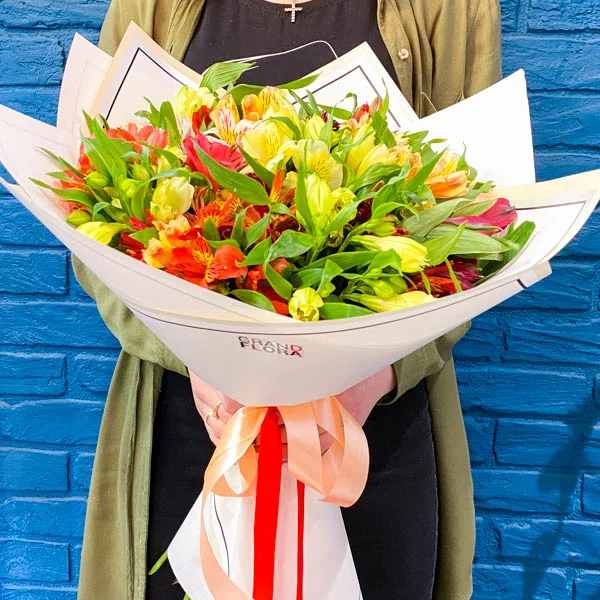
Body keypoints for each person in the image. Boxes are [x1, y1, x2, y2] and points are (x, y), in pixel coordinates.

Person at [74, 0, 501, 599]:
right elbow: (91, 210)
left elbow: (479, 224)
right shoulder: (150, 6)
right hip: (196, 417)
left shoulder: (453, 9)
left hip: (370, 432)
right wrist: (200, 359)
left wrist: (374, 376)